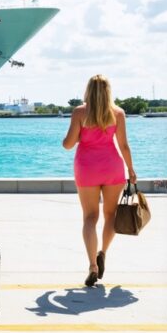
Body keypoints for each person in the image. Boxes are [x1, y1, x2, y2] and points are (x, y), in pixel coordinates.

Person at [62, 75, 137, 287]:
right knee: (111, 215)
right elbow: (124, 146)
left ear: (88, 90)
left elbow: (68, 144)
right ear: (108, 91)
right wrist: (131, 169)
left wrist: (77, 136)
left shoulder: (80, 112)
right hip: (112, 168)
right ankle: (103, 252)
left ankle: (93, 266)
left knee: (89, 218)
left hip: (87, 169)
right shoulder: (118, 113)